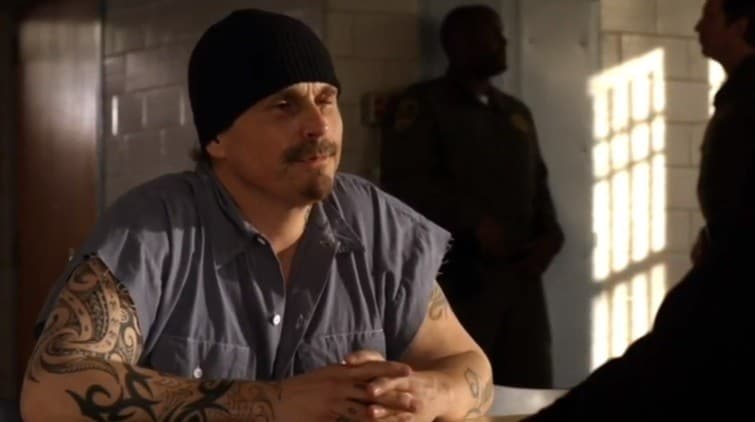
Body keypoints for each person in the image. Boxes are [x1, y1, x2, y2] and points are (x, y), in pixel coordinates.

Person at [19, 9, 493, 421]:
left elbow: (468, 365)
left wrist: (425, 394)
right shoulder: (153, 228)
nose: (319, 125)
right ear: (217, 139)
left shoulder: (375, 222)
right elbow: (51, 390)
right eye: (284, 105)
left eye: (326, 99)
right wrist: (273, 404)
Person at [526, 0, 755, 419]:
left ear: (741, 26)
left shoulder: (748, 106)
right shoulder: (739, 98)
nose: (697, 26)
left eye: (710, 15)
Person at [380, 5, 563, 388]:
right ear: (458, 43)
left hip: (520, 282)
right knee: (463, 389)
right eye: (491, 35)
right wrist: (473, 223)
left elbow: (538, 181)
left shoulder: (514, 113)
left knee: (528, 387)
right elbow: (406, 184)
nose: (503, 43)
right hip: (461, 282)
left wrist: (551, 235)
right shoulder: (425, 105)